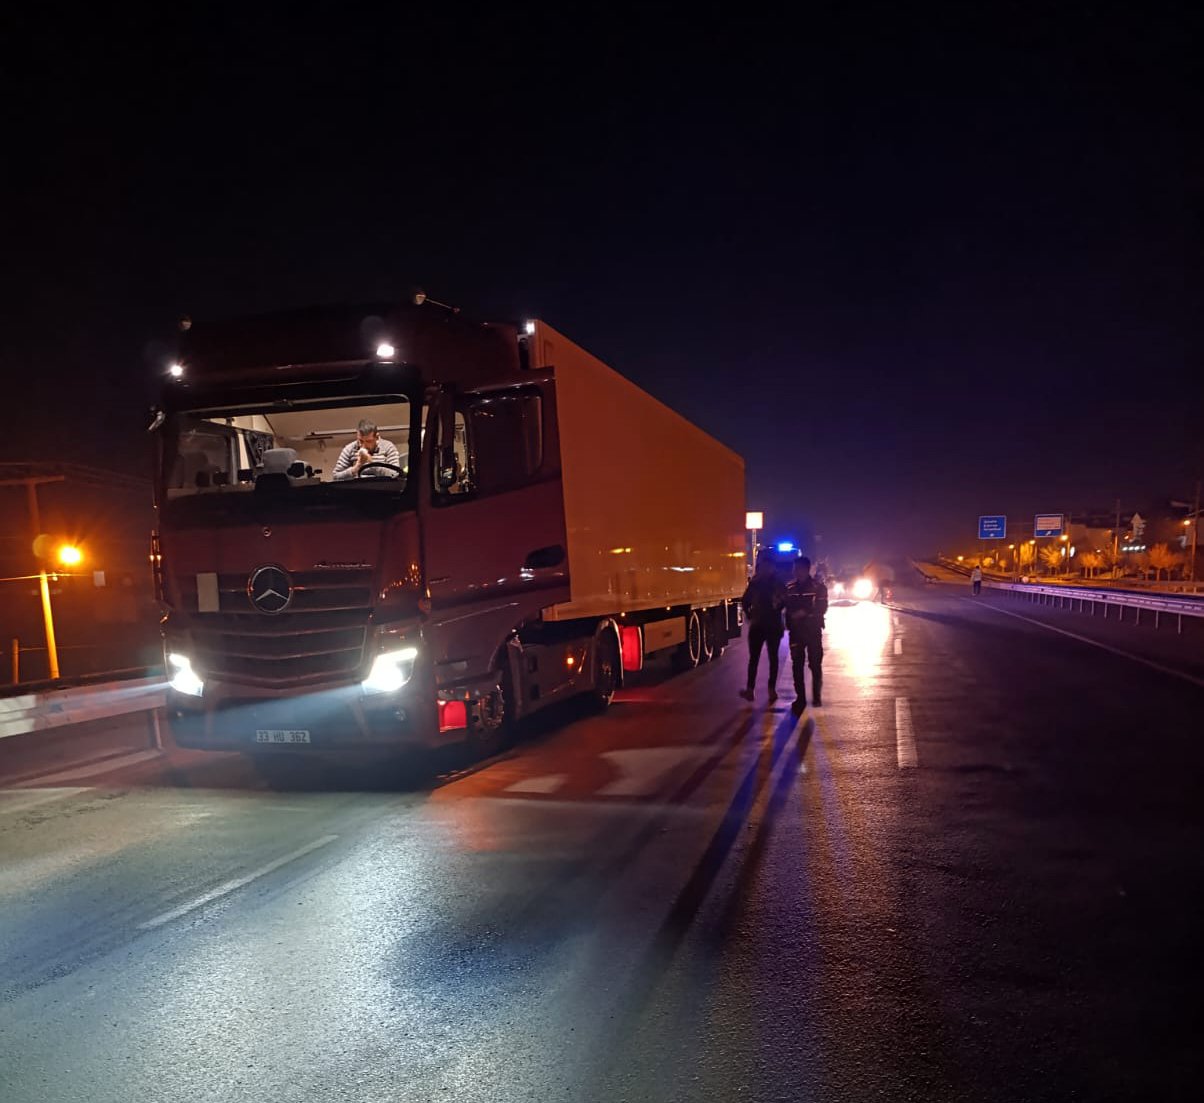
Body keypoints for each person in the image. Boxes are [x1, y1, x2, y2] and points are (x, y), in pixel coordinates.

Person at [739, 551, 786, 702]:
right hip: (758, 625)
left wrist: (777, 607)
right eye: (764, 567)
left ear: (773, 568)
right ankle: (750, 689)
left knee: (773, 658)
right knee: (754, 658)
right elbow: (745, 601)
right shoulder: (755, 583)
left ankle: (772, 689)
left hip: (773, 625)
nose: (766, 569)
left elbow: (784, 601)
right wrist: (749, 613)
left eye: (768, 567)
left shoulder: (778, 583)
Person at [784, 555, 828, 714]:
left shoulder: (818, 587)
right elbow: (785, 606)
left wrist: (804, 613)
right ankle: (800, 698)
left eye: (799, 568)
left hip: (813, 631)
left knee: (815, 664)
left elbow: (822, 607)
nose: (796, 572)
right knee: (797, 665)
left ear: (807, 569)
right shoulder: (789, 588)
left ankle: (816, 696)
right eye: (794, 569)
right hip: (796, 632)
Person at [332, 419, 402, 481]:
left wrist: (372, 464)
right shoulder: (349, 449)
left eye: (368, 441)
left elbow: (396, 475)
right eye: (361, 441)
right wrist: (357, 467)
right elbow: (336, 476)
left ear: (377, 437)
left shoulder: (388, 447)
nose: (364, 445)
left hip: (382, 490)